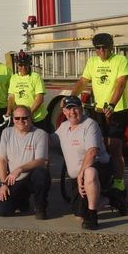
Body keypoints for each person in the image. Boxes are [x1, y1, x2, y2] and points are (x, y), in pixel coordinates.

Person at [69, 32, 128, 211]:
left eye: (105, 47)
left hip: (117, 109)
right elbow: (83, 81)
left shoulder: (120, 60)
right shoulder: (93, 61)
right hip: (98, 109)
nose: (102, 51)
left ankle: (119, 183)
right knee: (99, 146)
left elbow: (120, 83)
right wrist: (70, 98)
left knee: (114, 146)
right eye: (98, 48)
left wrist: (112, 104)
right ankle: (104, 178)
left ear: (111, 47)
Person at [54, 96, 113, 230]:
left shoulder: (90, 125)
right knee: (79, 216)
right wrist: (31, 132)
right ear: (64, 112)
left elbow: (92, 152)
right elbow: (50, 141)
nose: (72, 112)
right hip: (79, 176)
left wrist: (81, 174)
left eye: (75, 108)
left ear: (81, 109)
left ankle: (93, 217)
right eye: (68, 109)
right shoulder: (63, 127)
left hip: (99, 169)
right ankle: (108, 198)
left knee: (89, 172)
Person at [0, 105, 51, 219]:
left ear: (31, 118)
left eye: (25, 118)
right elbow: (2, 160)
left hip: (31, 176)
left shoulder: (40, 134)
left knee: (41, 173)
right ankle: (22, 200)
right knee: (2, 211)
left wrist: (20, 169)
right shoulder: (6, 132)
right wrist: (3, 184)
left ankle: (40, 207)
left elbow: (41, 161)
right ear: (13, 119)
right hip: (14, 179)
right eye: (17, 118)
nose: (21, 121)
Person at [6, 51, 49, 132]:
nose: (23, 68)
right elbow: (11, 97)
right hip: (21, 119)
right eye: (21, 65)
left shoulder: (35, 77)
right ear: (17, 65)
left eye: (26, 64)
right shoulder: (14, 78)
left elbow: (40, 98)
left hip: (36, 118)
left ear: (29, 65)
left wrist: (29, 114)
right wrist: (8, 112)